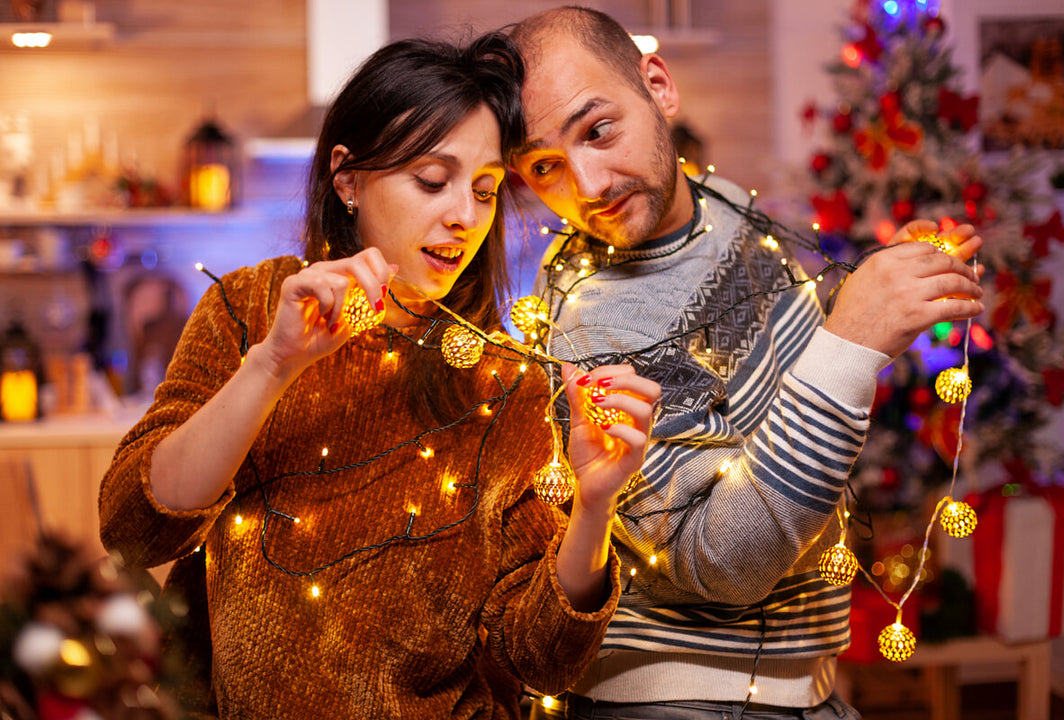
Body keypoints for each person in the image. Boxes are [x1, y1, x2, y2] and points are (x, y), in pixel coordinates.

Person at [98, 31, 661, 720]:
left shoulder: (502, 382)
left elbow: (537, 658)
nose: (463, 216)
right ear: (348, 178)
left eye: (485, 191)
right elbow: (133, 531)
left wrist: (596, 506)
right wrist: (274, 364)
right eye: (432, 180)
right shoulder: (250, 310)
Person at [508, 7, 986, 719]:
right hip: (686, 695)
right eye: (545, 166)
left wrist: (881, 300)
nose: (588, 185)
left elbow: (772, 399)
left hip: (794, 686)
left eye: (598, 129)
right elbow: (718, 561)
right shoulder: (595, 323)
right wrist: (848, 342)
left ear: (659, 87)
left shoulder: (721, 204)